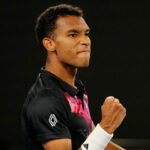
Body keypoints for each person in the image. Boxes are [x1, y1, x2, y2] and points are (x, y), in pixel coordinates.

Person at [21, 4, 126, 150]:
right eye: (73, 34)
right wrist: (106, 127)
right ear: (50, 44)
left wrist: (102, 132)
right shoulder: (46, 101)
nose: (85, 41)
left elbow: (92, 140)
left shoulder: (74, 88)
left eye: (86, 34)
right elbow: (97, 139)